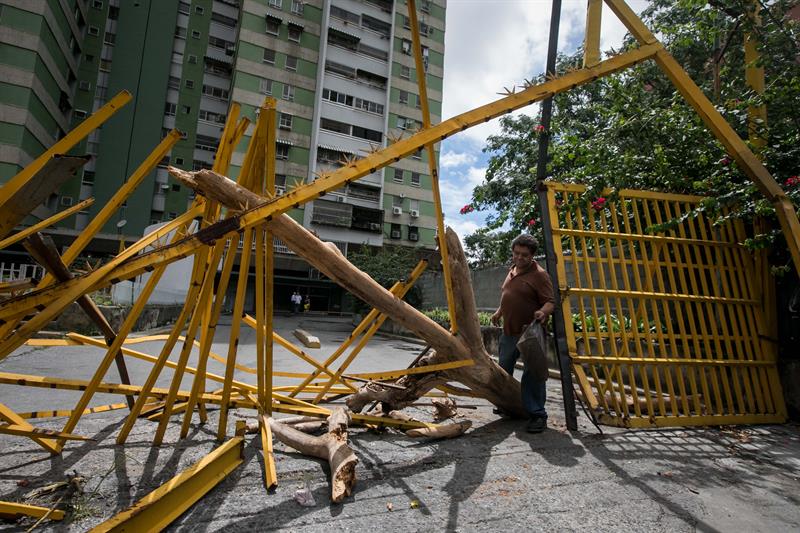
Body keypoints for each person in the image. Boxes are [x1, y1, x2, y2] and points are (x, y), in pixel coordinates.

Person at [491, 233, 554, 433]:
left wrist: (542, 312)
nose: (519, 258)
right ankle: (508, 406)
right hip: (509, 332)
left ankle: (537, 415)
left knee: (533, 374)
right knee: (504, 370)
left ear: (533, 255)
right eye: (516, 253)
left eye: (524, 255)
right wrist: (499, 312)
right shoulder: (512, 270)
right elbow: (507, 294)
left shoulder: (540, 274)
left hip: (531, 334)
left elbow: (551, 301)